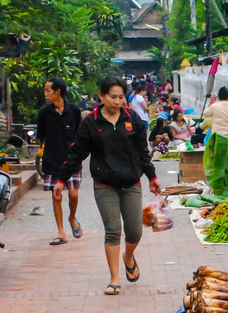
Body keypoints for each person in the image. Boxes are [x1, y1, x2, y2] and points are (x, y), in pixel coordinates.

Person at [56, 76, 162, 296]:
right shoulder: (91, 123)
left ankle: (128, 256)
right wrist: (61, 179)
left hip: (131, 183)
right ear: (102, 97)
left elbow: (143, 152)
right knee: (113, 230)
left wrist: (152, 178)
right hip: (105, 185)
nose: (117, 101)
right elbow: (77, 154)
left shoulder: (132, 118)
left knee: (135, 231)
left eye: (121, 97)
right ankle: (114, 279)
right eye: (112, 97)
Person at [34, 77, 84, 246]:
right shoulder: (44, 113)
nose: (45, 94)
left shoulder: (74, 111)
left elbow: (80, 134)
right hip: (52, 160)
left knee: (73, 194)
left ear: (58, 92)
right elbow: (39, 137)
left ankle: (72, 217)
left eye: (48, 90)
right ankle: (61, 231)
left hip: (72, 160)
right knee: (56, 196)